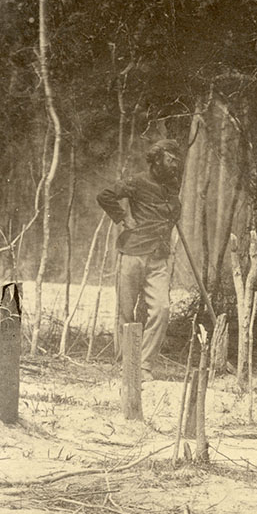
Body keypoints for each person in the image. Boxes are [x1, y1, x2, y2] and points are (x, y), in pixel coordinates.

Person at [96, 138, 182, 374]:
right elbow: (105, 195)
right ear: (156, 160)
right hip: (132, 253)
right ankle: (125, 366)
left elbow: (173, 213)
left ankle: (143, 366)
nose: (174, 166)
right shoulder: (136, 181)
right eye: (170, 160)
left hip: (159, 258)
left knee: (162, 309)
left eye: (177, 161)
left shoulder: (172, 186)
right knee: (126, 312)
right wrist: (123, 218)